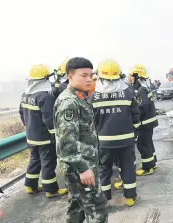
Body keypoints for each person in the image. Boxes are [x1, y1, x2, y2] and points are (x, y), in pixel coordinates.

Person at [53, 57, 107, 222]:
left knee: (77, 207)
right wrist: (83, 169)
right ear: (70, 76)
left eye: (91, 75)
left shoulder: (80, 97)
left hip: (79, 164)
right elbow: (67, 142)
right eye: (84, 75)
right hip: (80, 166)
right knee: (97, 210)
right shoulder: (69, 102)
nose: (89, 79)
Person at [91, 60, 140, 207]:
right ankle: (130, 198)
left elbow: (91, 122)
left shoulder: (94, 96)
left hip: (104, 143)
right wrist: (134, 133)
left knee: (104, 170)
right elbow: (136, 117)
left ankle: (106, 198)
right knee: (127, 168)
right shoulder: (128, 93)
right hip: (126, 141)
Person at [19, 64, 68, 198]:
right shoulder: (45, 96)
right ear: (45, 79)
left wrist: (29, 127)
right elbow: (49, 119)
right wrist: (55, 135)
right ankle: (51, 190)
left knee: (35, 160)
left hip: (31, 136)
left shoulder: (25, 95)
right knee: (48, 162)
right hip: (44, 138)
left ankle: (30, 185)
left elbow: (21, 114)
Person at [130, 64, 158, 176]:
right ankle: (153, 162)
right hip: (150, 121)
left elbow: (143, 105)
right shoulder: (145, 87)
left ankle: (147, 168)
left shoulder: (141, 90)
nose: (130, 78)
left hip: (145, 122)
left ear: (137, 76)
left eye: (132, 76)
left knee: (143, 143)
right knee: (149, 142)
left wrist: (134, 113)